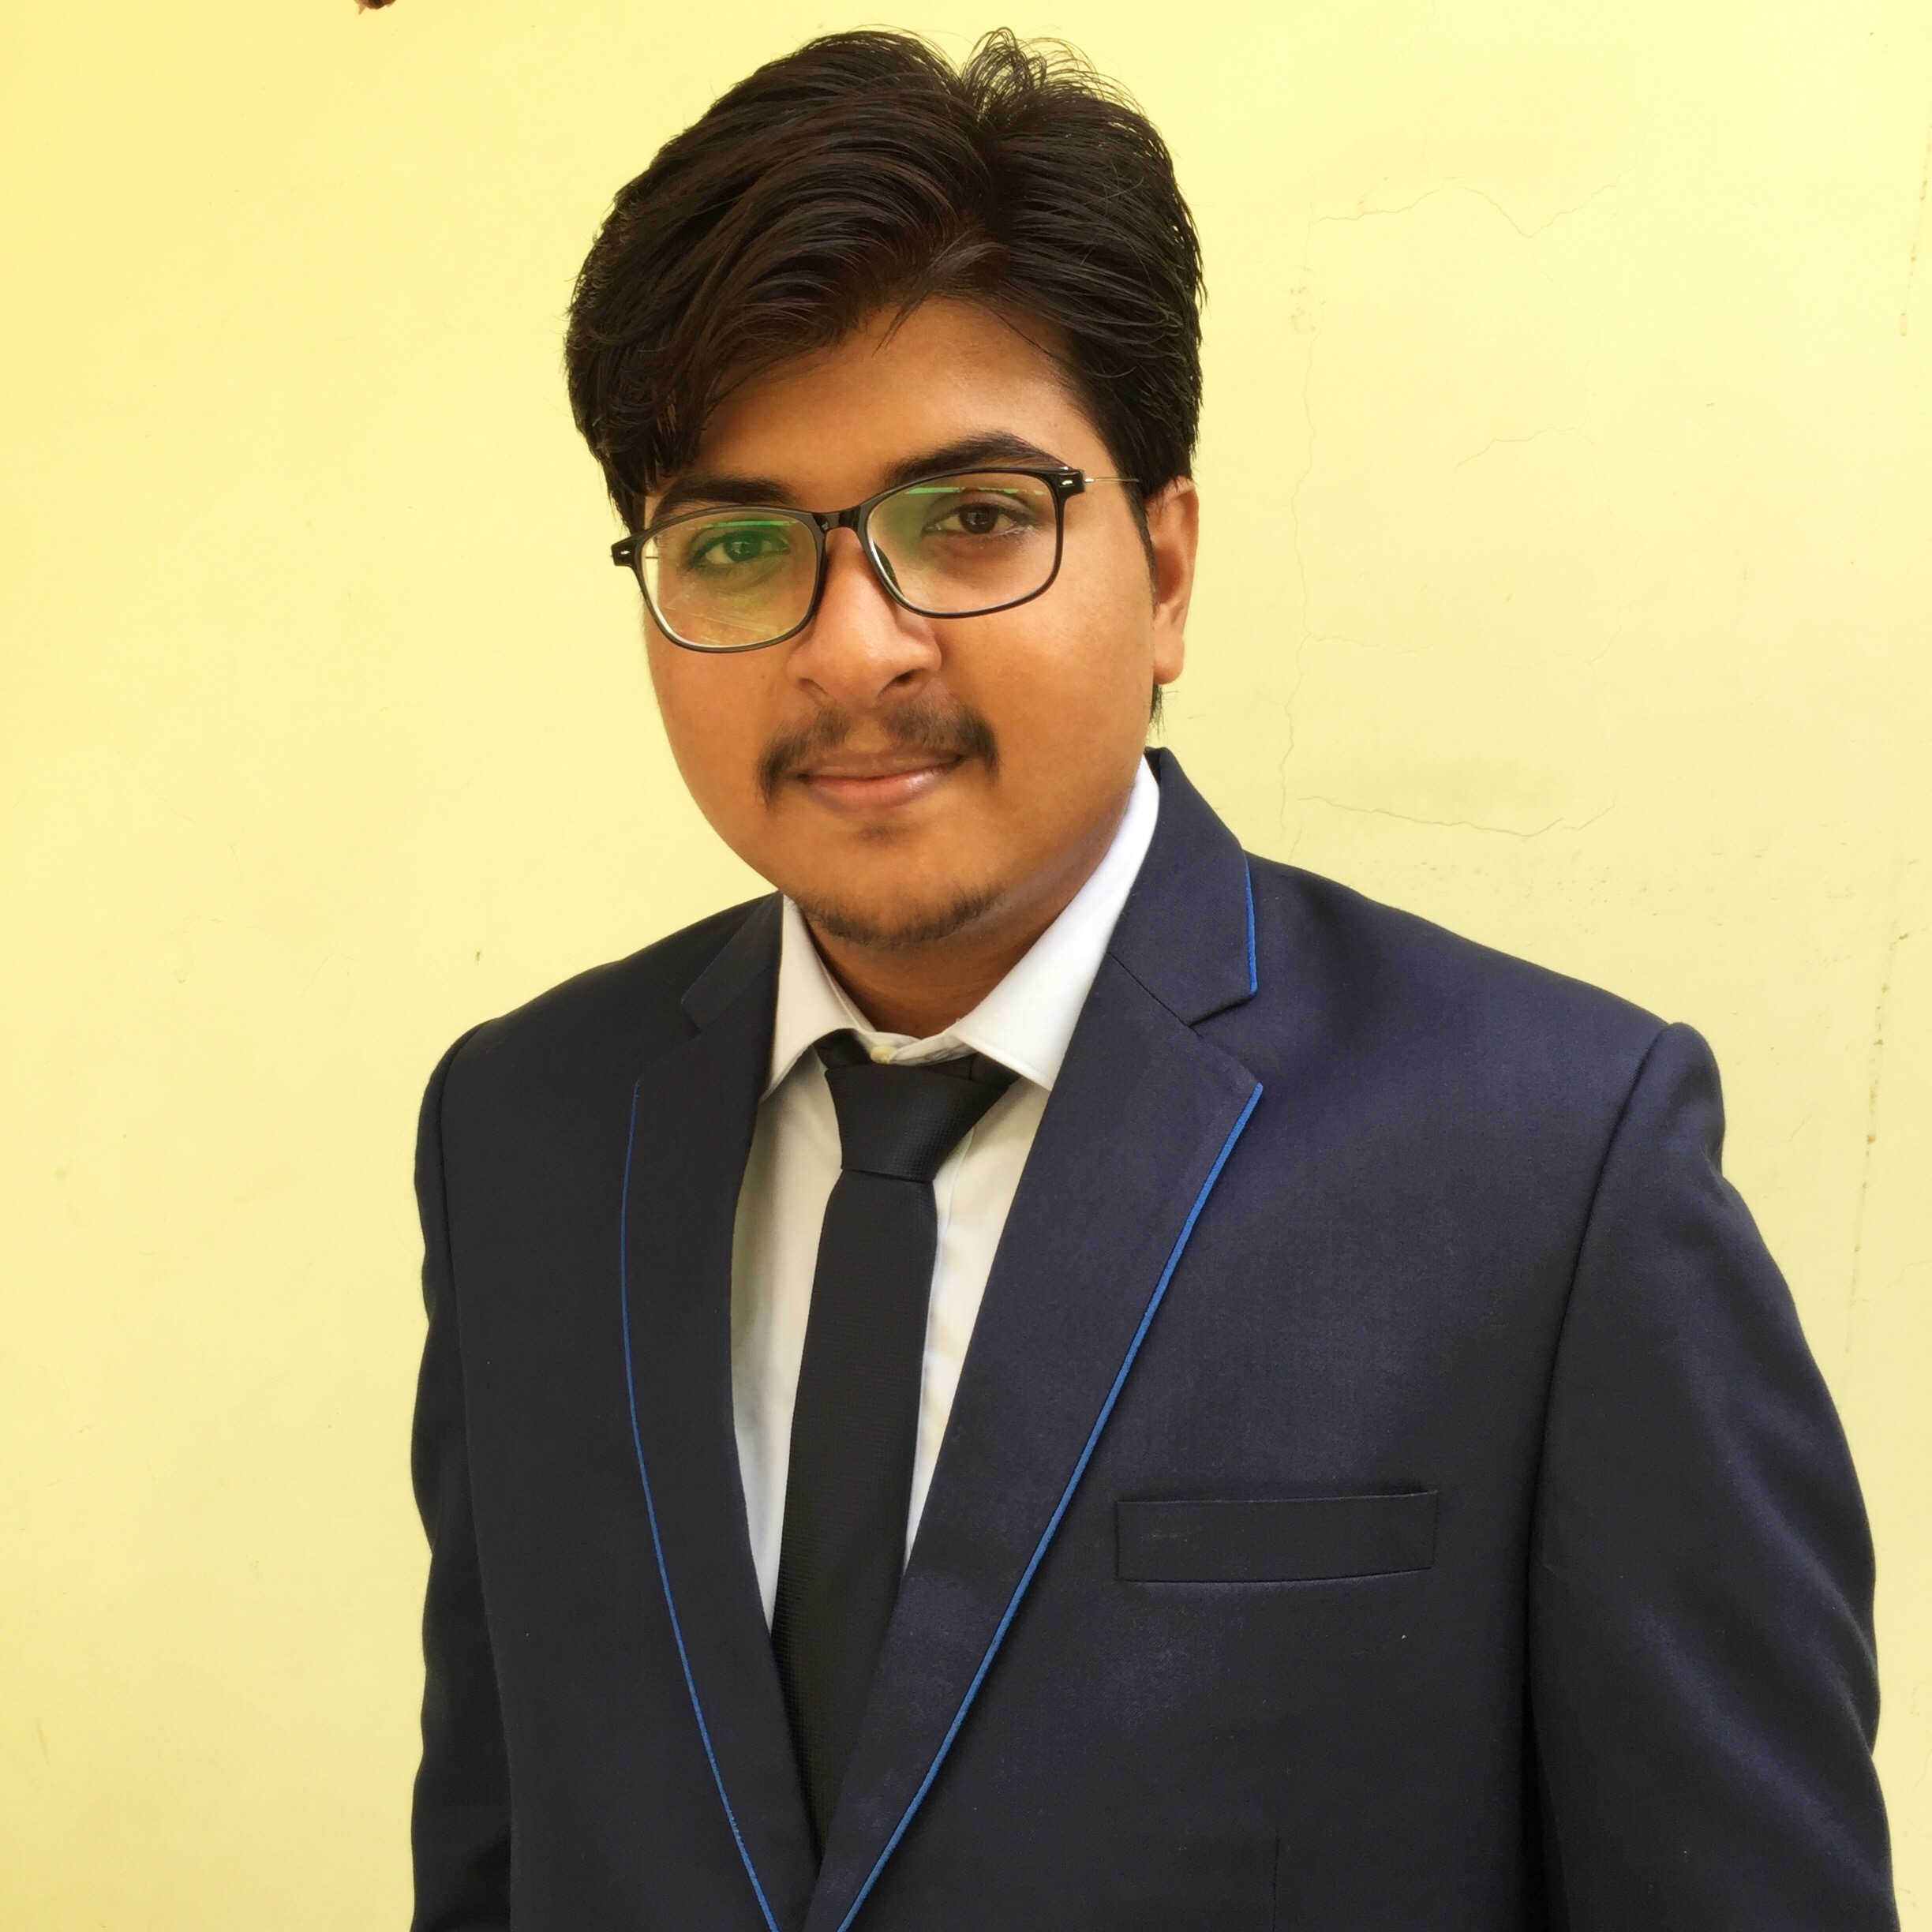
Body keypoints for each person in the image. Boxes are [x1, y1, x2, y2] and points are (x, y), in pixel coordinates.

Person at [407, 28, 1896, 1932]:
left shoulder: (1552, 1169)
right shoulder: (525, 1137)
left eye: (971, 521)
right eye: (740, 544)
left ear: (1167, 568)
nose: (853, 650)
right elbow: (499, 1858)